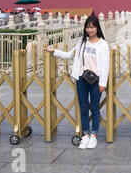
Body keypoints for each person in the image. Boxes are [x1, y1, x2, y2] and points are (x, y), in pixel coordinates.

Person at [43, 14, 109, 149]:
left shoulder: (103, 44)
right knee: (84, 108)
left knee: (95, 109)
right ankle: (85, 135)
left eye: (92, 27)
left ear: (97, 28)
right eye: (87, 27)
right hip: (81, 80)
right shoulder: (82, 42)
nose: (89, 30)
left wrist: (103, 83)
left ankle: (94, 136)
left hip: (96, 81)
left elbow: (105, 64)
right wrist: (54, 51)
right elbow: (69, 55)